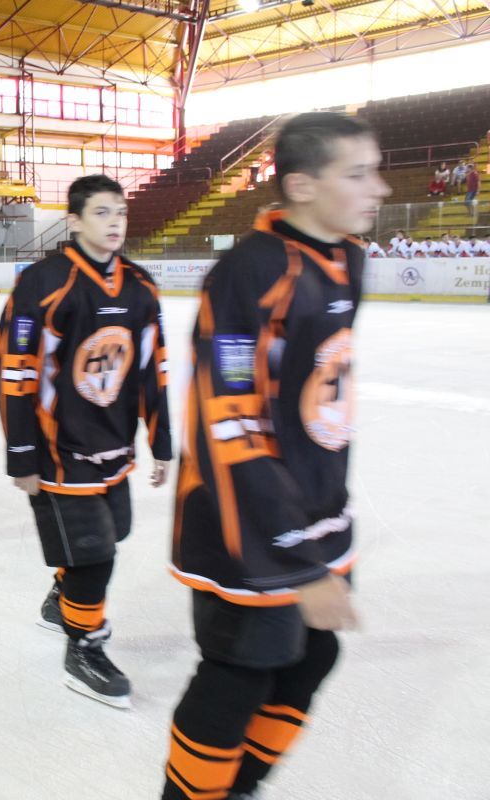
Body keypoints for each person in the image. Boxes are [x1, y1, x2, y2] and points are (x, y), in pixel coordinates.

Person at [162, 111, 388, 800]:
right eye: (358, 175)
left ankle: (238, 788)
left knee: (312, 655)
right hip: (243, 522)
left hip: (317, 512)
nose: (378, 188)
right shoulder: (250, 272)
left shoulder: (348, 258)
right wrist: (292, 556)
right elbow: (229, 422)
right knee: (239, 672)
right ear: (301, 185)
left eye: (376, 172)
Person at [0, 174, 171, 708]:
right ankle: (83, 648)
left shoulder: (140, 286)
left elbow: (154, 369)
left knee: (112, 533)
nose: (115, 222)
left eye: (120, 211)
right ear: (72, 221)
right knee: (95, 556)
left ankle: (64, 596)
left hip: (114, 445)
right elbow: (16, 371)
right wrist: (21, 454)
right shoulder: (43, 282)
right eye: (101, 212)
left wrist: (161, 441)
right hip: (57, 449)